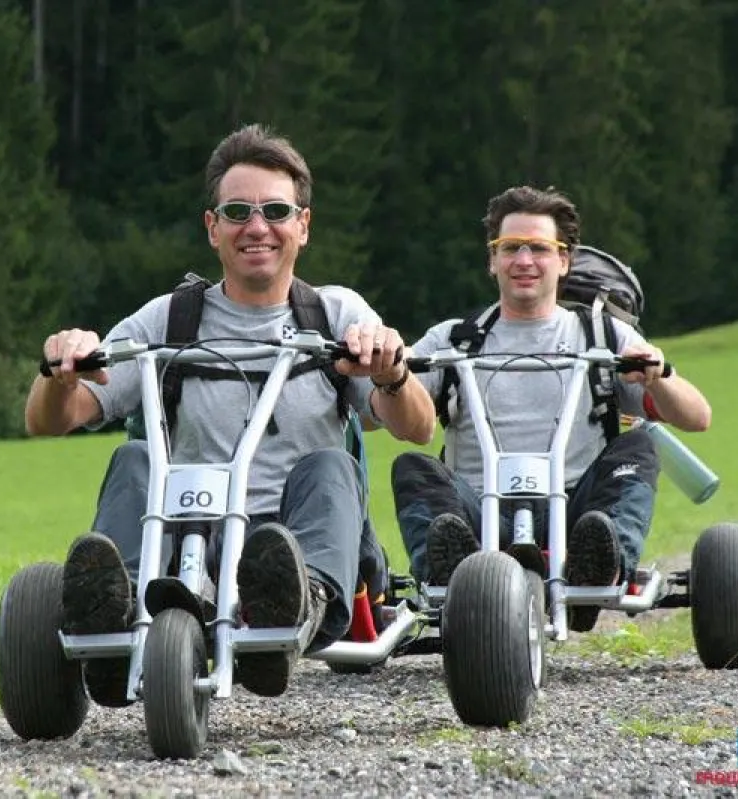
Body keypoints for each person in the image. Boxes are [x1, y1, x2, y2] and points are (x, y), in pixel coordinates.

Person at [25, 123, 435, 701]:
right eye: (238, 211)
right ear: (213, 227)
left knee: (330, 465)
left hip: (298, 538)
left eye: (275, 210)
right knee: (135, 457)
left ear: (303, 225)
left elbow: (417, 427)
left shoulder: (336, 314)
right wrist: (59, 370)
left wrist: (391, 371)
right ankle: (113, 617)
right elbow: (48, 421)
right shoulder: (168, 320)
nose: (257, 227)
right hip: (193, 534)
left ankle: (294, 607)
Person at [392, 185, 712, 632]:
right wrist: (393, 376)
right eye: (510, 248)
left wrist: (660, 374)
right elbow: (395, 416)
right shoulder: (453, 340)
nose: (524, 261)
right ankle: (454, 576)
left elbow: (697, 417)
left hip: (579, 515)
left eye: (539, 248)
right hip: (478, 514)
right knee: (413, 466)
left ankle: (600, 566)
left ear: (564, 261)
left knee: (637, 446)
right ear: (492, 259)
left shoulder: (604, 337)